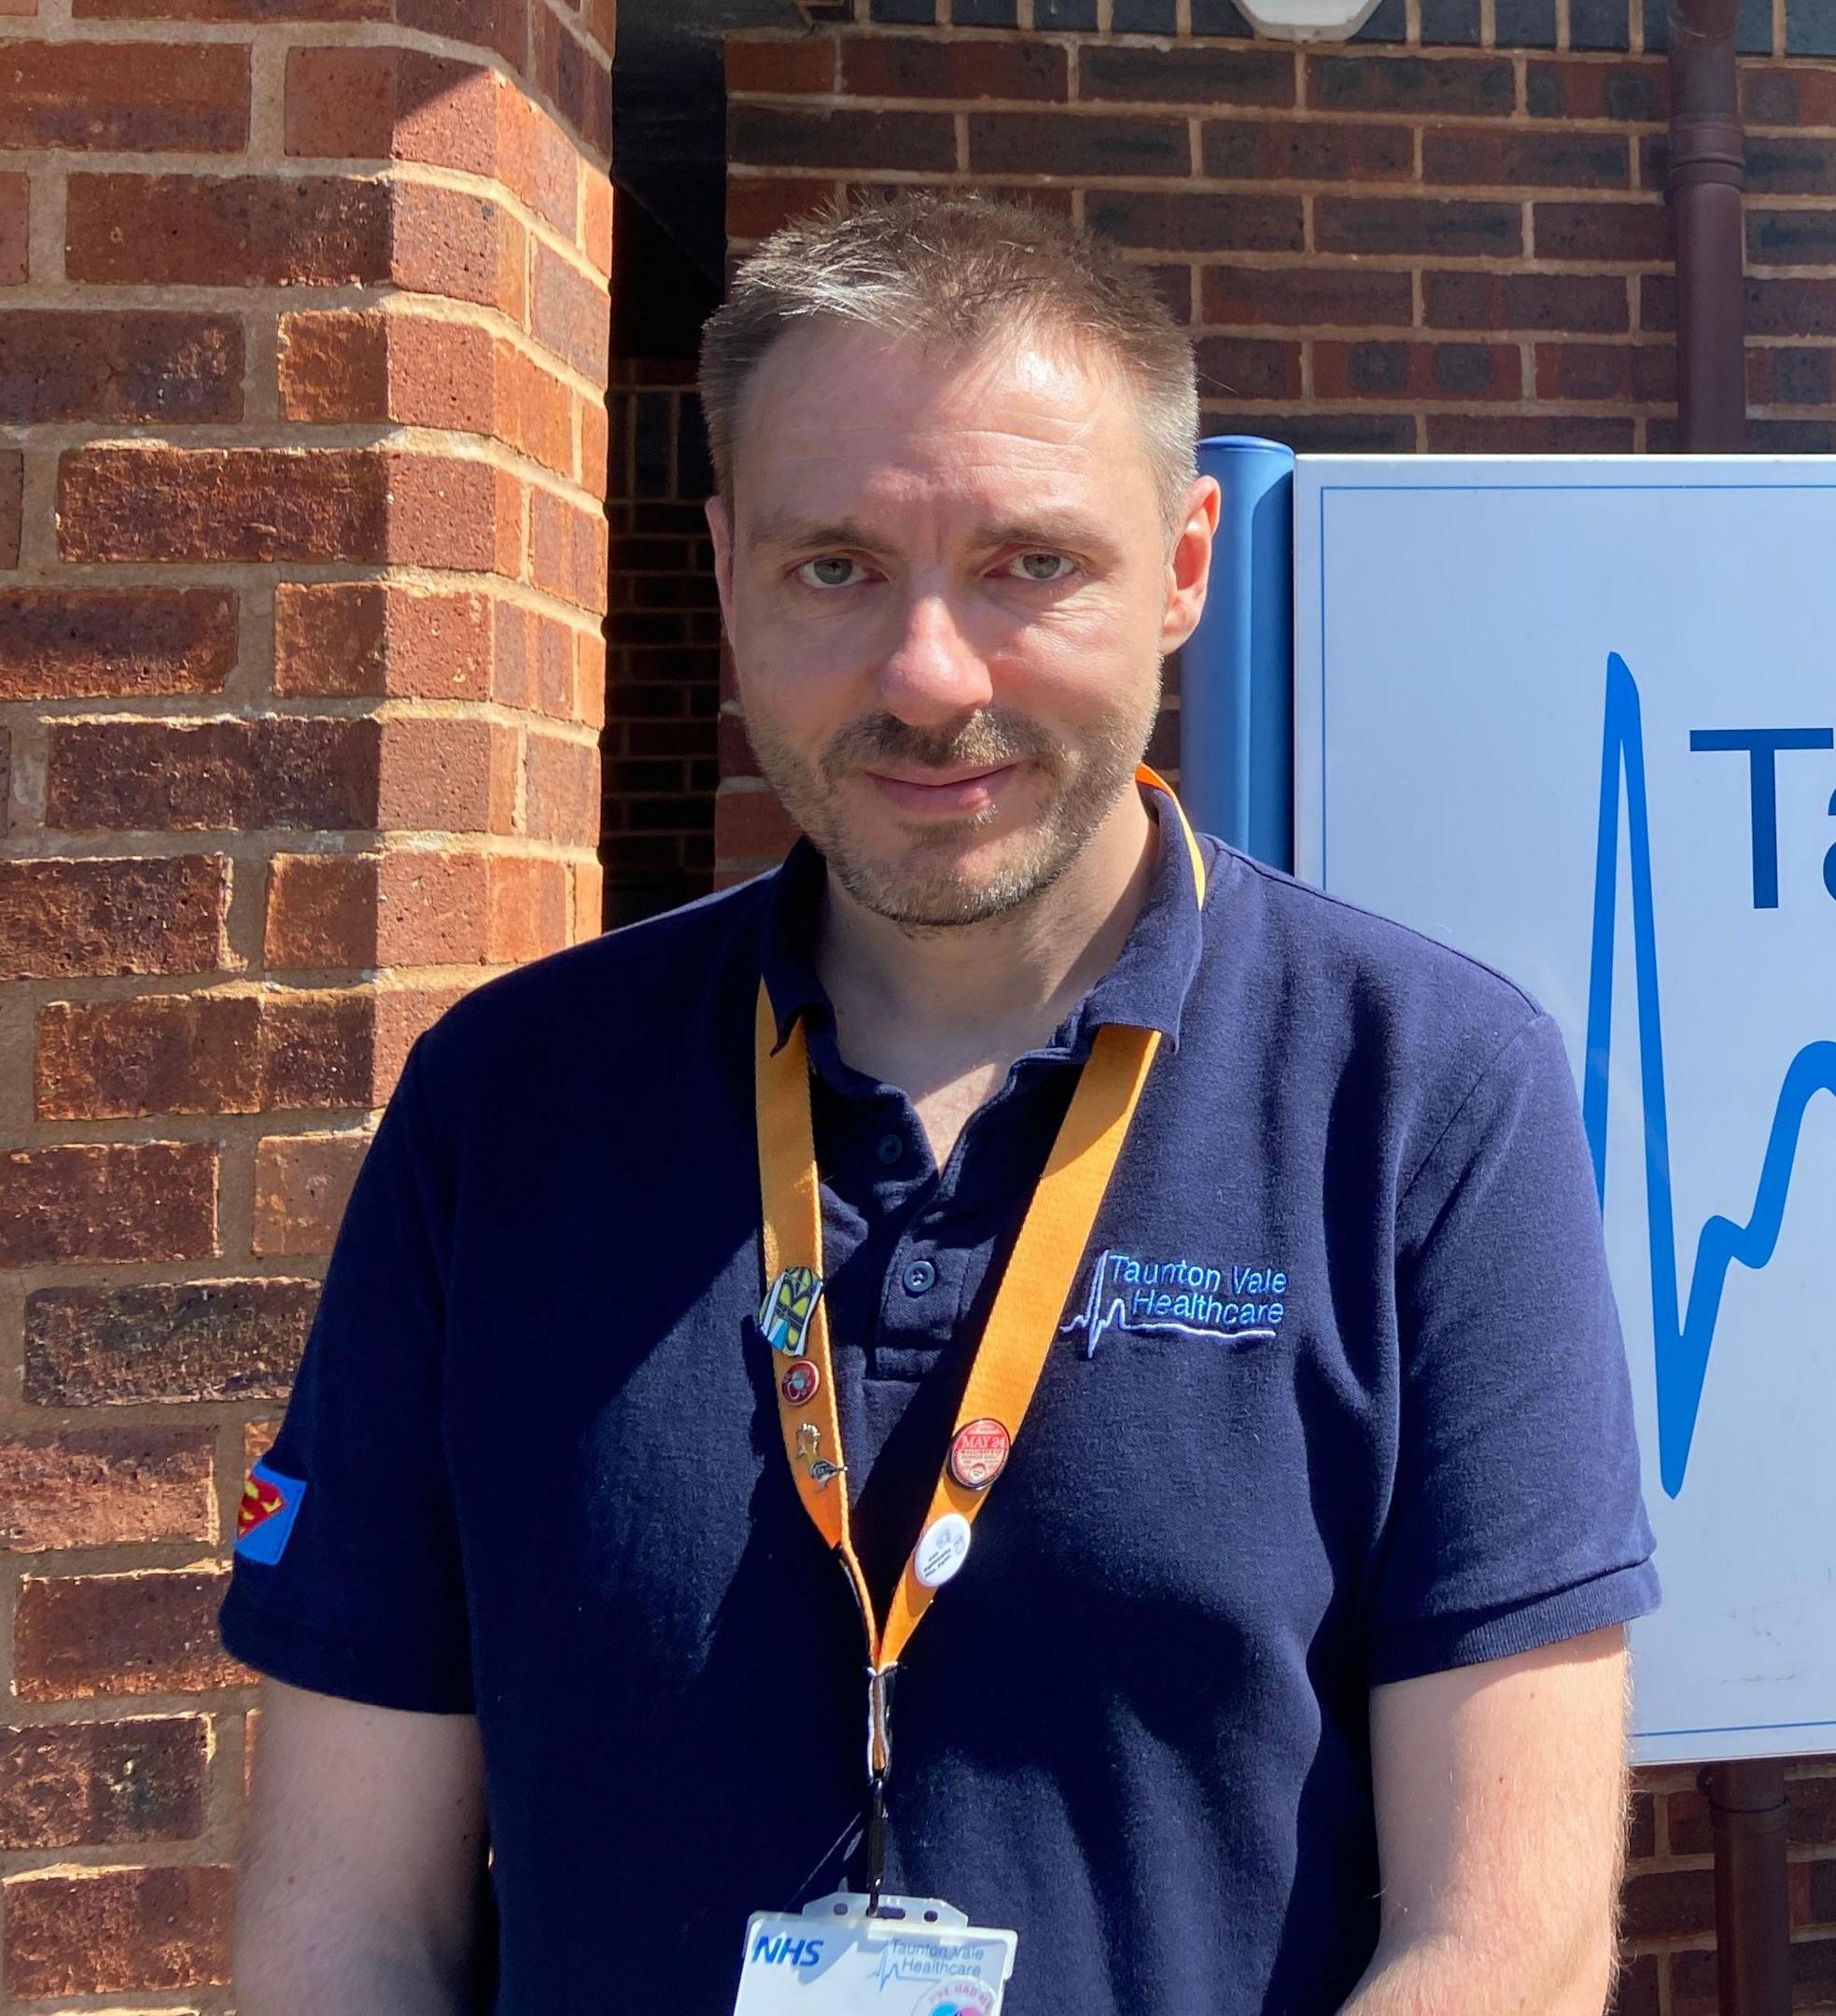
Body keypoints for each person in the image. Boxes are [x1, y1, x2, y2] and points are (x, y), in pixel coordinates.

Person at [217, 192, 1659, 2016]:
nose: (926, 678)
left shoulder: (1426, 1095)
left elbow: (1504, 1944)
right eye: (837, 566)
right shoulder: (502, 1107)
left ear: (1186, 562)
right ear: (729, 566)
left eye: (1028, 565)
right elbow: (348, 1923)